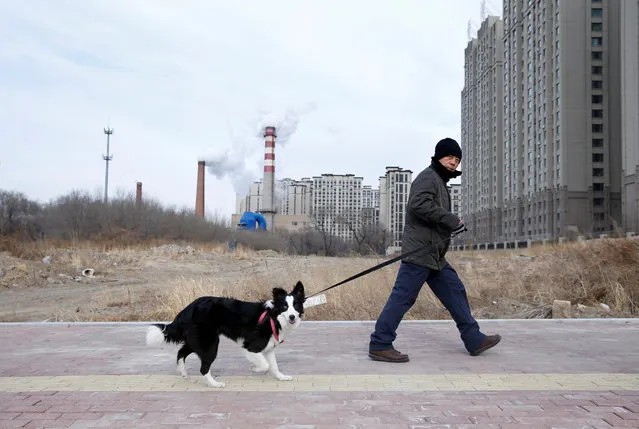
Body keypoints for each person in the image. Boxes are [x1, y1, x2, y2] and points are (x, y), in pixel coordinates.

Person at [368, 137, 501, 362]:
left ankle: (474, 339)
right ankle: (380, 343)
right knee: (403, 298)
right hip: (420, 253)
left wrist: (449, 224)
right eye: (449, 157)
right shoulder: (428, 177)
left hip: (433, 256)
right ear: (439, 156)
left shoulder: (438, 180)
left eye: (457, 159)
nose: (453, 162)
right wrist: (450, 219)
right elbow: (418, 205)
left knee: (455, 291)